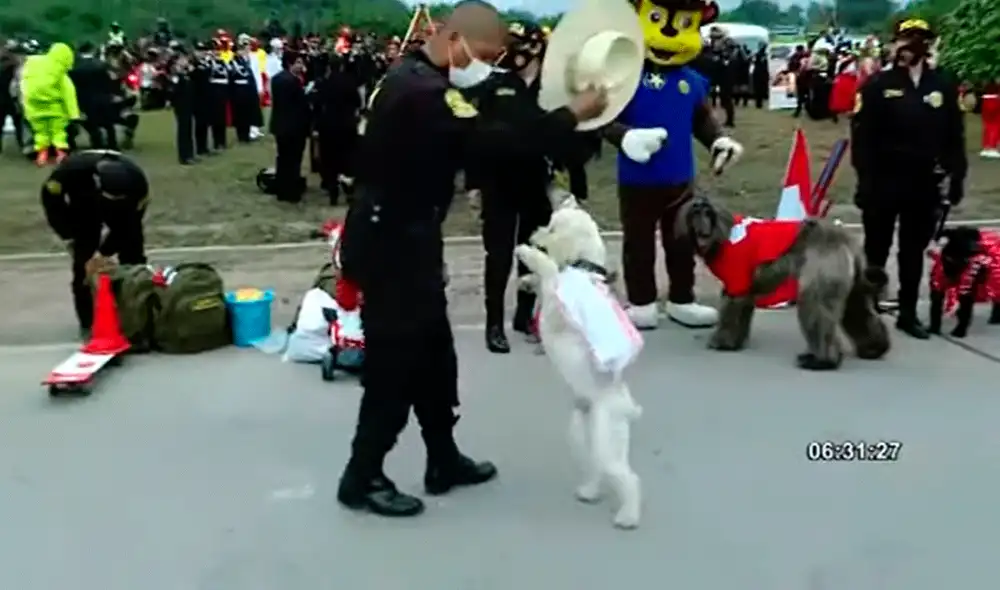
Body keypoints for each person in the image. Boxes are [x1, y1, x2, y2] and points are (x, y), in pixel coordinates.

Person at [336, 0, 608, 517]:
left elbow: (491, 117)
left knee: (436, 353)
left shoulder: (424, 81)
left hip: (411, 234)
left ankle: (443, 456)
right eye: (482, 54)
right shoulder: (420, 92)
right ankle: (362, 474)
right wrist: (571, 115)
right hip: (389, 241)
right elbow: (495, 143)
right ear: (452, 37)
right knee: (396, 362)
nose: (483, 66)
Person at [466, 20, 581, 353]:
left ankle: (525, 314)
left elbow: (564, 135)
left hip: (536, 182)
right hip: (499, 183)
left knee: (535, 251)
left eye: (522, 44)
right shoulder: (493, 86)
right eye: (512, 44)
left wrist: (568, 178)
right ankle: (493, 325)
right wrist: (474, 184)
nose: (516, 52)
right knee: (499, 255)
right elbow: (477, 138)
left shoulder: (552, 88)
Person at [851, 18, 966, 339]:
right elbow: (862, 139)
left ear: (928, 45)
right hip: (883, 182)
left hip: (924, 184)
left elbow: (954, 135)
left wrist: (957, 176)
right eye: (908, 37)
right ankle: (868, 311)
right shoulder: (877, 85)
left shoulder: (941, 84)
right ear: (896, 42)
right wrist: (864, 181)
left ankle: (907, 311)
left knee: (912, 251)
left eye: (921, 39)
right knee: (876, 248)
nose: (914, 44)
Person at [40, 150, 149, 339]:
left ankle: (138, 312)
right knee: (84, 263)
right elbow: (52, 203)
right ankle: (88, 322)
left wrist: (104, 253)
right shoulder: (70, 171)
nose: (113, 201)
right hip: (84, 204)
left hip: (125, 212)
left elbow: (129, 225)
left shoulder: (138, 184)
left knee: (133, 256)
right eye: (111, 197)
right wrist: (68, 235)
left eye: (117, 198)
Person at [268, 51, 310, 203]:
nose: (301, 66)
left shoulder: (277, 79)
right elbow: (300, 104)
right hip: (294, 127)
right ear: (290, 63)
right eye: (298, 62)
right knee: (293, 160)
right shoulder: (293, 82)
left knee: (282, 158)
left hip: (280, 124)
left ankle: (281, 188)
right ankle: (291, 191)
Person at [167, 49, 196, 164]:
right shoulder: (176, 75)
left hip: (189, 104)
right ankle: (184, 156)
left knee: (189, 128)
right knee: (183, 130)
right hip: (181, 105)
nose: (186, 61)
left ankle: (190, 153)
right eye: (183, 59)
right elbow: (173, 90)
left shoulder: (186, 73)